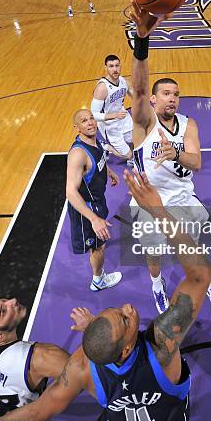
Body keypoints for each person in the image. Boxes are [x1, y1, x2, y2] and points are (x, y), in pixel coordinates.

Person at [0, 170, 211, 421]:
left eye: (118, 311)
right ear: (128, 348)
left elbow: (37, 414)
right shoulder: (161, 346)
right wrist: (158, 210)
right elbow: (199, 276)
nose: (129, 307)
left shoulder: (83, 367)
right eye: (125, 319)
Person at [128, 0, 211, 323]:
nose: (172, 97)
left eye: (176, 93)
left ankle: (207, 283)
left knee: (196, 248)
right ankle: (157, 284)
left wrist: (175, 152)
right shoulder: (144, 124)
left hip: (184, 199)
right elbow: (139, 89)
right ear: (155, 100)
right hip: (149, 203)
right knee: (154, 253)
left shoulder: (189, 125)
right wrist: (142, 40)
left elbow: (196, 162)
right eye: (166, 93)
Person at [66, 109, 122, 292]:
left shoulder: (94, 140)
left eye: (91, 118)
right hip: (87, 208)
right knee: (98, 246)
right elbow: (70, 192)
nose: (90, 123)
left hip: (98, 200)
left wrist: (109, 172)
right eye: (84, 121)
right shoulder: (78, 154)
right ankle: (98, 280)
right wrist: (94, 219)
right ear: (77, 127)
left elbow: (98, 161)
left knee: (101, 242)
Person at [91, 54, 134, 163]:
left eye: (117, 65)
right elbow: (94, 115)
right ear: (105, 68)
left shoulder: (123, 81)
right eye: (111, 66)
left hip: (123, 118)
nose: (115, 69)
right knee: (129, 155)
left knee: (135, 141)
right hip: (109, 124)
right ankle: (106, 147)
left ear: (120, 66)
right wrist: (115, 115)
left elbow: (135, 96)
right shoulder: (102, 88)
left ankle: (130, 155)